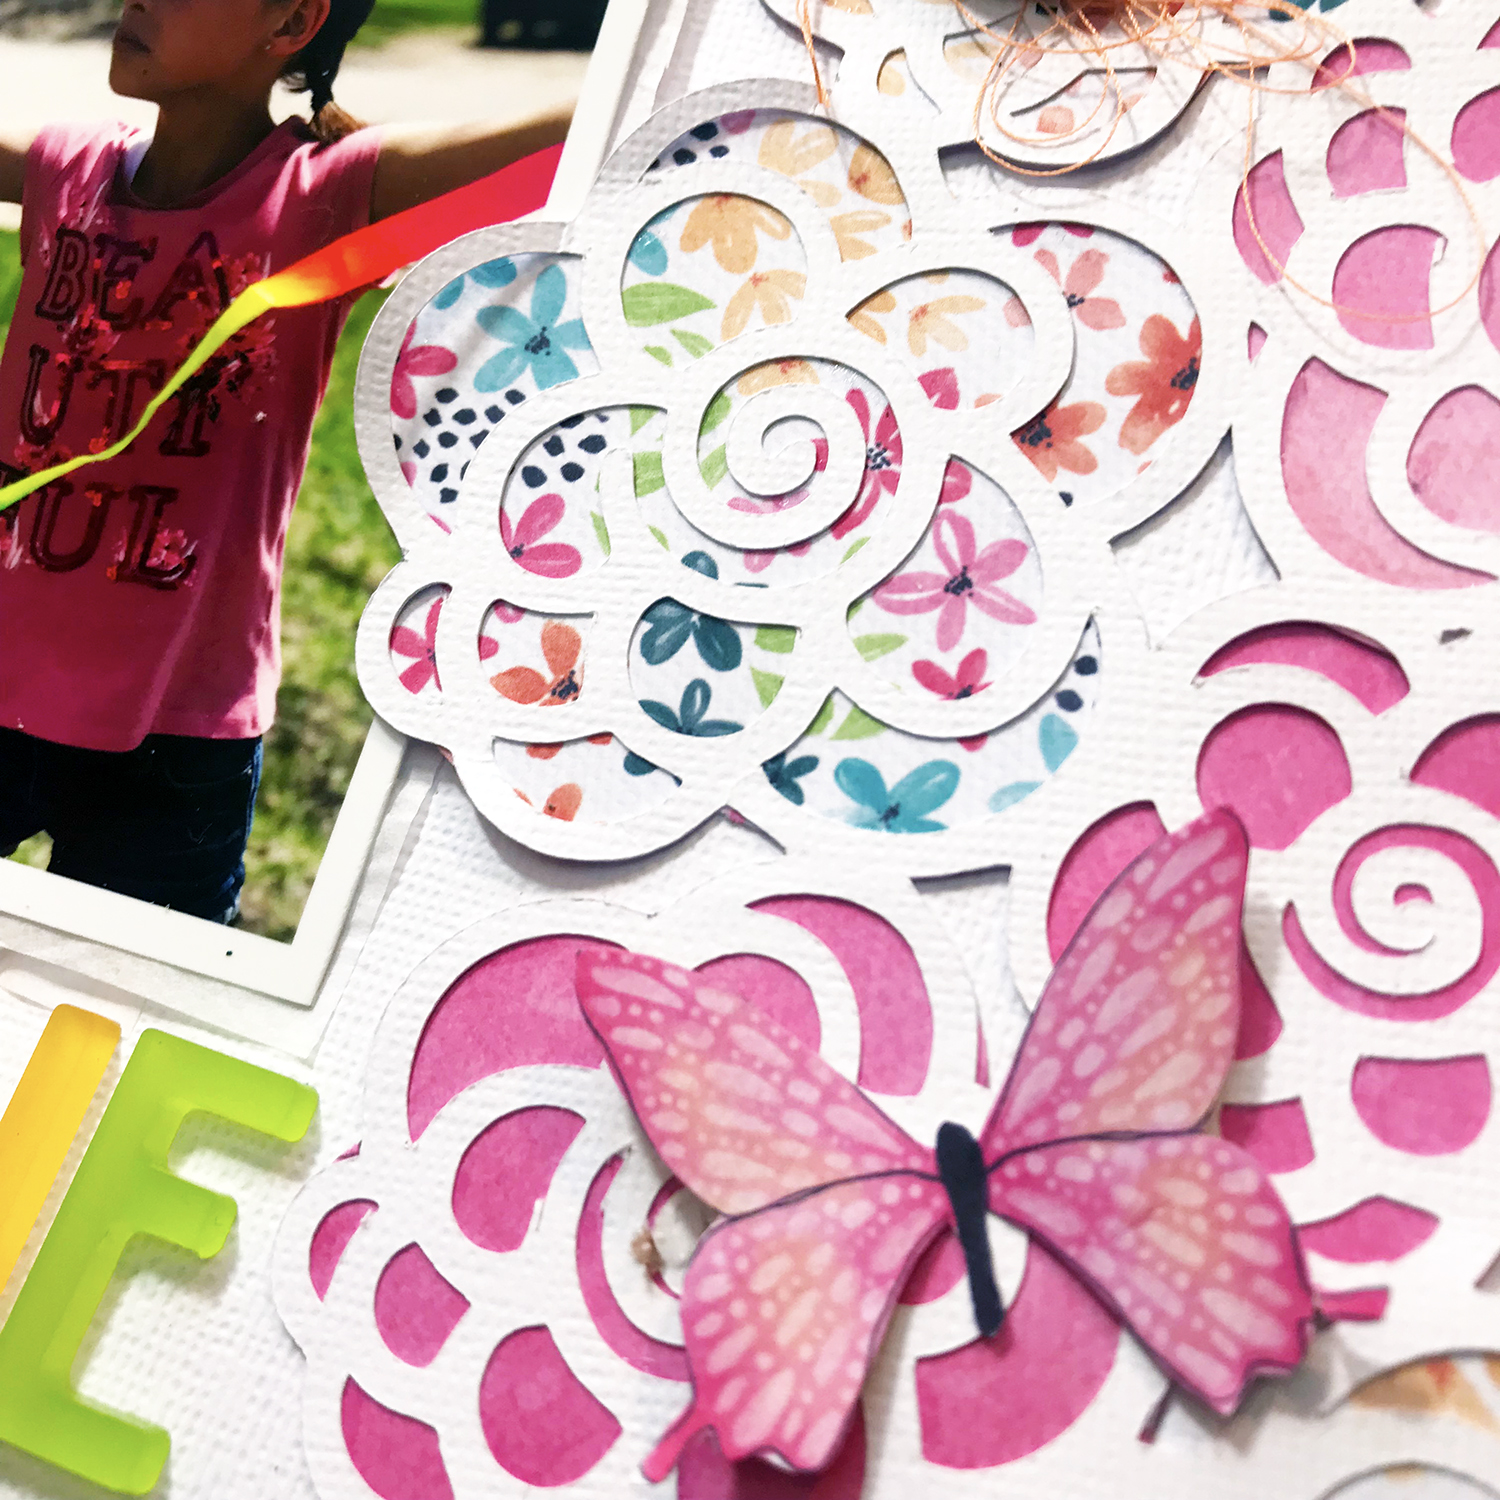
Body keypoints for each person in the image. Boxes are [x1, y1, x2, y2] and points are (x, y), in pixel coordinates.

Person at [0, 0, 572, 922]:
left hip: (177, 739)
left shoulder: (321, 196)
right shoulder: (68, 168)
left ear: (294, 20)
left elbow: (596, 124)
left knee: (123, 1004)